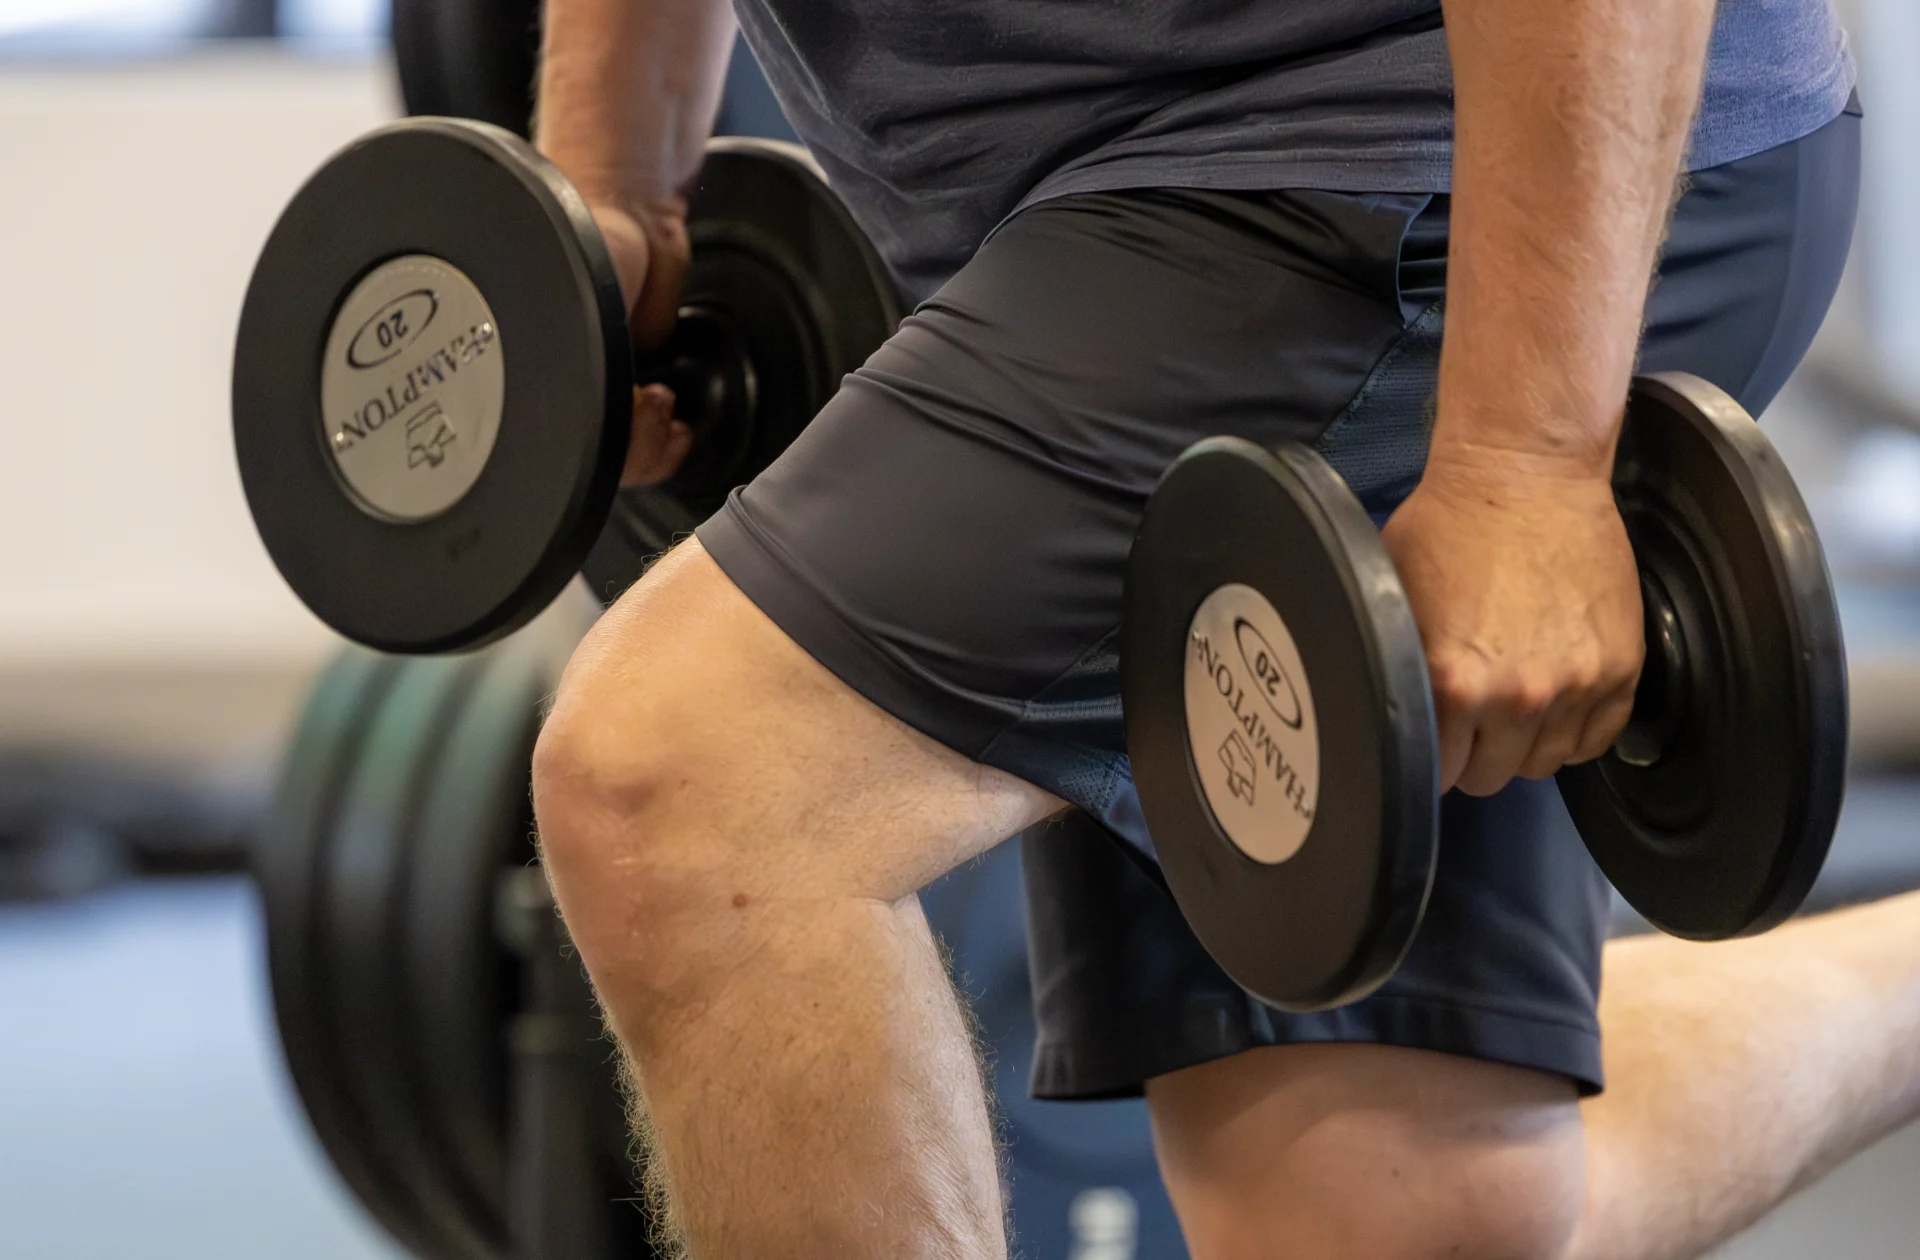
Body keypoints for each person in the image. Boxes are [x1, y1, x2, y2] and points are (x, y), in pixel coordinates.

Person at [527, 0, 1890, 1254]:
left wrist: (1524, 455)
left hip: (1407, 158)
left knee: (697, 784)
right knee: (1383, 1212)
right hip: (1071, 223)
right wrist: (613, 182)